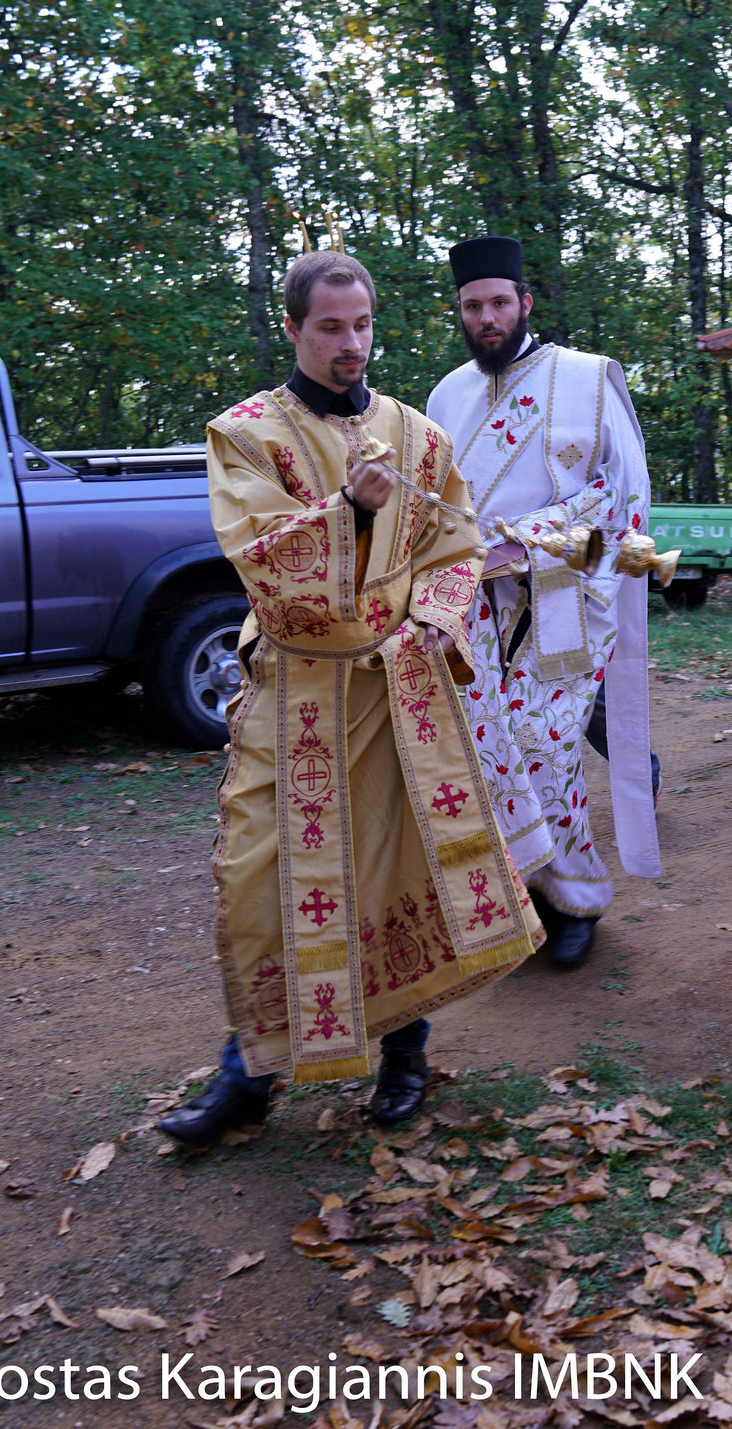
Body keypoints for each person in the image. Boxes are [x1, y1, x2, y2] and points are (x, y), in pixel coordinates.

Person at [161, 252, 540, 1143]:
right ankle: (249, 1076)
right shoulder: (246, 433)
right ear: (293, 328)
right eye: (330, 327)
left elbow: (458, 543)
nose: (351, 344)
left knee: (394, 874)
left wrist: (441, 621)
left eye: (362, 324)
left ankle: (404, 1056)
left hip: (396, 694)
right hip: (295, 696)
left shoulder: (416, 435)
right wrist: (352, 512)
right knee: (261, 885)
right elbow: (257, 558)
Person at [423, 236, 660, 969]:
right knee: (488, 755)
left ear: (525, 302)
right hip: (475, 611)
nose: (487, 316)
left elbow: (623, 497)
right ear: (460, 312)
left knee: (548, 750)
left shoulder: (588, 379)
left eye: (500, 302)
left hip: (564, 598)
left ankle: (577, 898)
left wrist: (521, 544)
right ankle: (522, 897)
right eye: (473, 306)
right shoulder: (445, 395)